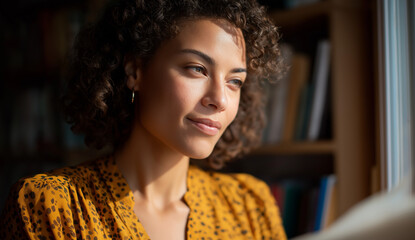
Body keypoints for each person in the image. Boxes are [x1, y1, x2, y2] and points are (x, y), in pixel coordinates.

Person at [0, 0, 286, 239]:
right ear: (135, 71)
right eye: (197, 69)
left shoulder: (252, 206)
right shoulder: (50, 206)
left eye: (234, 81)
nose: (220, 100)